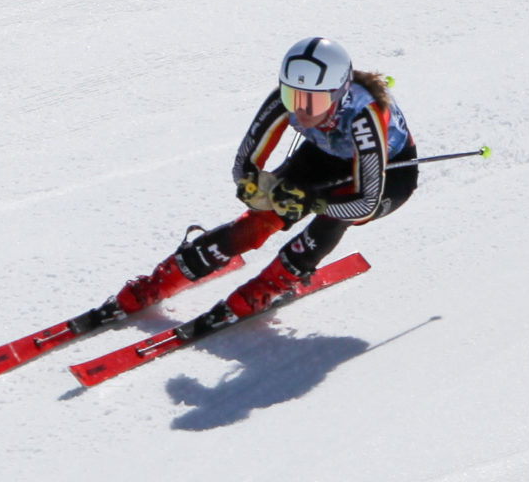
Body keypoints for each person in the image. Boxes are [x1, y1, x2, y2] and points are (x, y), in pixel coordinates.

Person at [103, 36, 418, 323]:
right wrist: (254, 187)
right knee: (265, 214)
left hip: (390, 173)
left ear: (339, 94)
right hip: (324, 155)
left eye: (314, 101)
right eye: (292, 95)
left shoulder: (365, 117)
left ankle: (273, 283)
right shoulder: (284, 102)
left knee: (331, 218)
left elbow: (366, 203)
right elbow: (244, 163)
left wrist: (313, 202)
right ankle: (163, 279)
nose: (301, 110)